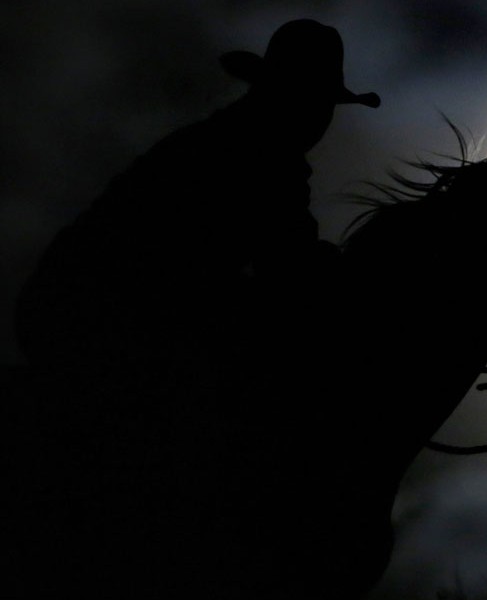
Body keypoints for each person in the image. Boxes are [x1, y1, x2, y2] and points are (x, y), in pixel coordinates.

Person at [8, 19, 383, 597]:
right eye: (315, 101)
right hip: (95, 321)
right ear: (289, 98)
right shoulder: (257, 155)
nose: (320, 117)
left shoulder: (238, 143)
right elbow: (289, 271)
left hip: (85, 309)